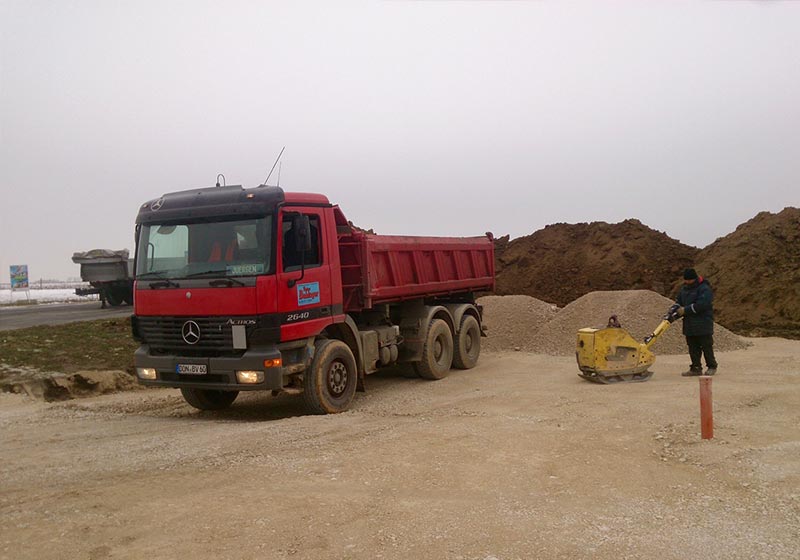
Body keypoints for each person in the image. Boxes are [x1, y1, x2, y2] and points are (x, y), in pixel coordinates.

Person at [675, 268, 718, 376]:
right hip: (689, 324)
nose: (687, 282)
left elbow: (702, 304)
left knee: (706, 346)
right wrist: (675, 308)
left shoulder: (704, 289)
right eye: (686, 280)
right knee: (692, 347)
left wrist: (686, 310)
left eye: (689, 280)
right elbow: (678, 301)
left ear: (694, 278)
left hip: (703, 322)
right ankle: (695, 368)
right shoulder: (684, 289)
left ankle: (712, 366)